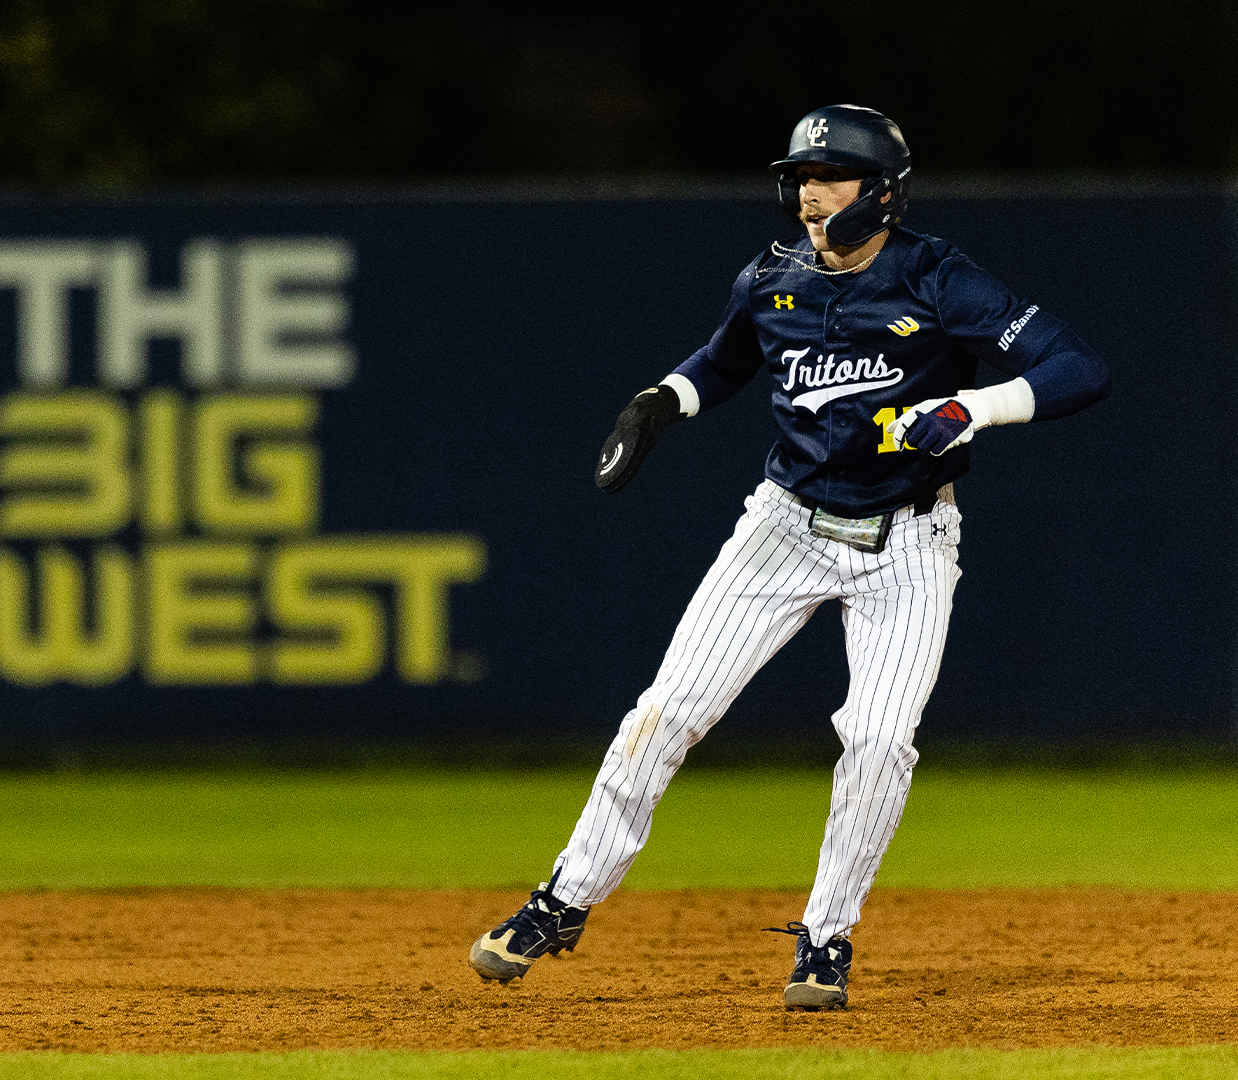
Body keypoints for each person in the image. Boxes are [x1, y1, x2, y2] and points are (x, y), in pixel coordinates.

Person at [466, 104, 1110, 1010]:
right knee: (667, 712)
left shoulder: (937, 276)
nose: (810, 194)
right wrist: (663, 400)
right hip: (785, 524)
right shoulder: (773, 277)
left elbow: (1077, 365)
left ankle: (826, 938)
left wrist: (976, 407)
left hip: (910, 537)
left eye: (831, 176)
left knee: (880, 742)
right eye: (803, 176)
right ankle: (563, 900)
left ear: (881, 191)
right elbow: (725, 361)